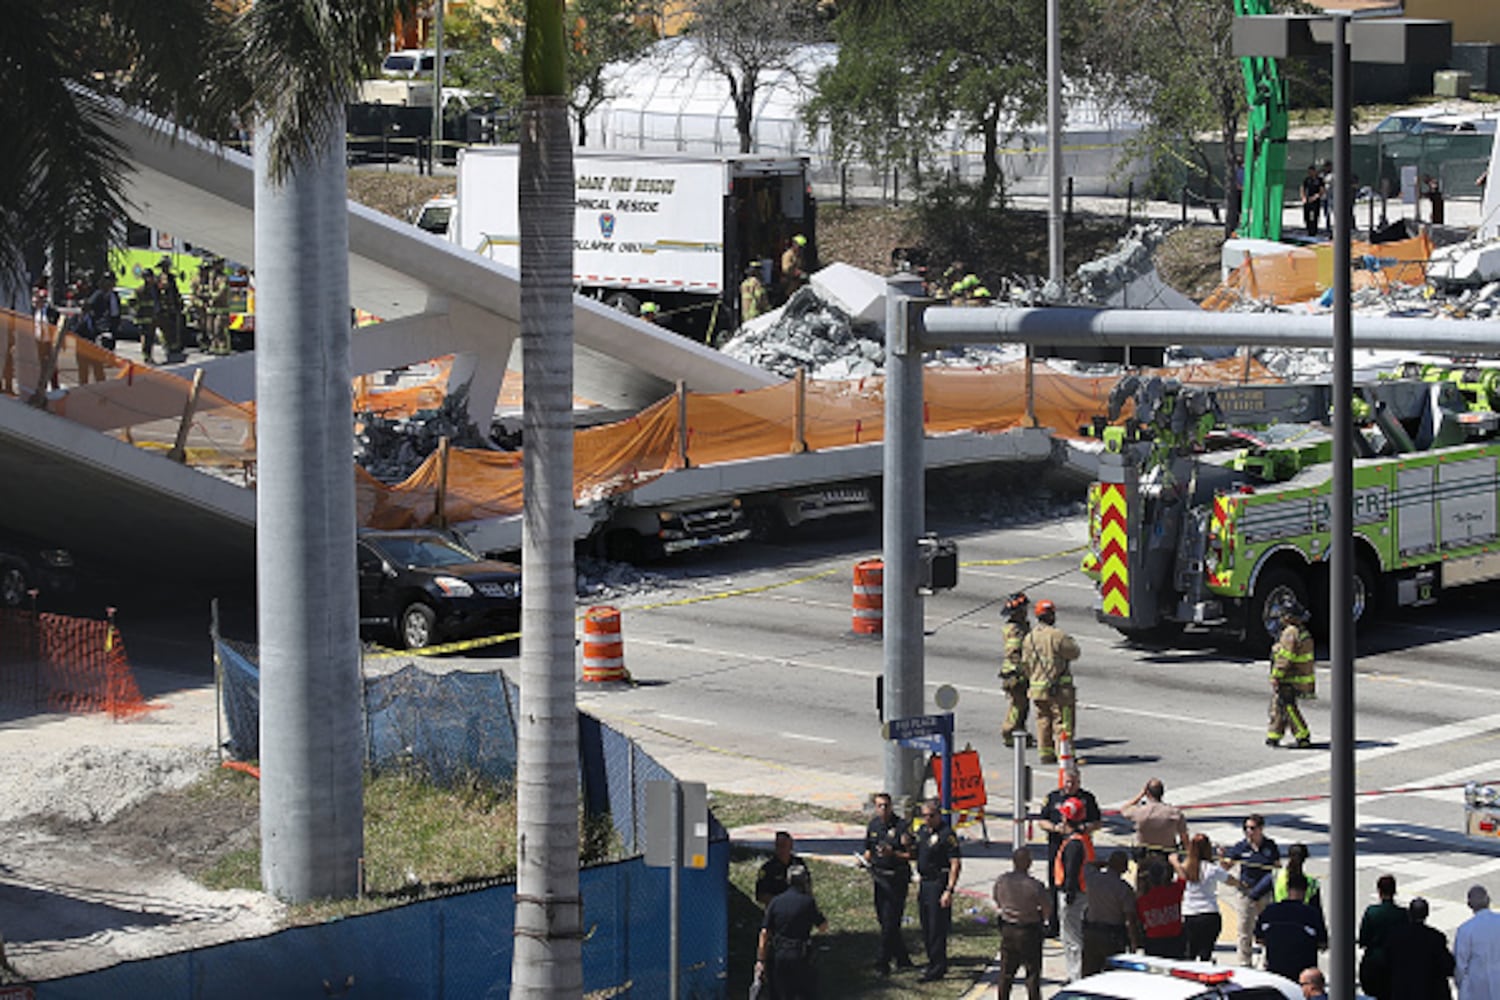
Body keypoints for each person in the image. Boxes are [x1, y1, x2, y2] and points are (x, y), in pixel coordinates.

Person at [1040, 767, 1102, 936]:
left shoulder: (1087, 799)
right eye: (1067, 781)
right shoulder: (1053, 798)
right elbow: (1042, 821)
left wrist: (1085, 828)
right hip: (1057, 848)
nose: (1070, 785)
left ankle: (1081, 924)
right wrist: (1054, 828)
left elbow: (1097, 822)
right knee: (1054, 884)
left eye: (1074, 782)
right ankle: (1054, 924)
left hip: (1078, 849)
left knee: (1077, 885)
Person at [1022, 598, 1080, 765]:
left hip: (1037, 690)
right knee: (1063, 722)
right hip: (1059, 690)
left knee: (1043, 721)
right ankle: (1065, 754)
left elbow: (1025, 664)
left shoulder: (1029, 638)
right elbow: (1074, 653)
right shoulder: (1058, 636)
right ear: (1052, 615)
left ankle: (1046, 754)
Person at [756, 863, 827, 1000]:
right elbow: (823, 927)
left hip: (779, 954)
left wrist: (761, 960)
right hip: (801, 955)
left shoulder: (775, 902)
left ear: (788, 880)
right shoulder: (808, 902)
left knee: (780, 993)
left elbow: (764, 933)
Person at [862, 792, 914, 975]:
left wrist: (894, 854)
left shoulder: (901, 827)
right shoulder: (874, 825)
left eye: (886, 805)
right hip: (879, 878)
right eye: (879, 806)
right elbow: (869, 848)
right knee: (884, 920)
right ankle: (903, 958)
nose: (883, 809)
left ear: (891, 807)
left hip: (896, 879)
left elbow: (911, 855)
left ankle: (882, 962)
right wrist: (864, 860)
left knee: (891, 920)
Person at [992, 844, 1051, 1000]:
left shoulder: (1002, 880)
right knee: (1032, 972)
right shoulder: (1035, 885)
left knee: (1006, 972)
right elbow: (1047, 909)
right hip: (1029, 930)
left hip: (1008, 929)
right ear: (1029, 863)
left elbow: (997, 900)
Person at [914, 797, 961, 982]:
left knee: (936, 927)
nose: (927, 819)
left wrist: (949, 890)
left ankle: (938, 966)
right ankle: (931, 961)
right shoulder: (923, 832)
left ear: (938, 815)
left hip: (938, 883)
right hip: (924, 883)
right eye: (924, 816)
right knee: (926, 925)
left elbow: (955, 863)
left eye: (931, 815)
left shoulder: (946, 834)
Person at [1224, 812, 1280, 967]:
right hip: (1246, 892)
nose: (1249, 831)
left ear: (1261, 829)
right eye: (1246, 828)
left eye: (1252, 828)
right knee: (1244, 928)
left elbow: (1276, 867)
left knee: (1266, 928)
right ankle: (1244, 962)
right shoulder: (1241, 847)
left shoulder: (1270, 846)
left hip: (1264, 892)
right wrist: (1222, 857)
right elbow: (1228, 865)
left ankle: (1266, 960)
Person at [1255, 871, 1327, 981]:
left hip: (1275, 969)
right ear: (1305, 891)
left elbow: (1259, 939)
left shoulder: (1270, 911)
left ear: (1287, 890)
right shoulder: (1312, 914)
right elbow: (1322, 943)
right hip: (1303, 973)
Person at [1054, 795, 1095, 982]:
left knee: (1071, 939)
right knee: (1076, 938)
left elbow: (1071, 870)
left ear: (1066, 818)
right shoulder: (1082, 838)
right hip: (1083, 893)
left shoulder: (1073, 844)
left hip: (1073, 895)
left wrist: (1069, 895)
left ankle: (1075, 977)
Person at [1081, 849, 1140, 976]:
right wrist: (1134, 942)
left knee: (1089, 973)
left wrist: (1105, 863)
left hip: (1091, 932)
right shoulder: (1124, 889)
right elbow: (1129, 918)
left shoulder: (1093, 878)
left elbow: (1088, 865)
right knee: (1113, 975)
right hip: (1112, 935)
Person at [1179, 833, 1236, 962]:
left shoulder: (1185, 867)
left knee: (1190, 953)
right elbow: (1230, 880)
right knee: (1206, 952)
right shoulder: (1212, 869)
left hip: (1190, 914)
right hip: (1210, 913)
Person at [1267, 600, 1315, 749]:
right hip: (1295, 676)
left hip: (1291, 677)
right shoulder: (1299, 631)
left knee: (1287, 706)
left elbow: (1285, 657)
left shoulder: (1290, 633)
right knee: (1279, 706)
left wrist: (1276, 675)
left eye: (1284, 615)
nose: (1281, 617)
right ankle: (1273, 735)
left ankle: (1302, 735)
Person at [1386, 896, 1454, 999]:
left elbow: (1386, 963)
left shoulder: (1395, 936)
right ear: (1427, 914)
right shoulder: (1436, 938)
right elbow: (1448, 966)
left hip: (1403, 992)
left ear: (1409, 913)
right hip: (1430, 993)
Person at [1120, 777, 1189, 866]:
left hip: (1145, 854)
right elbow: (1184, 836)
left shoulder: (1140, 811)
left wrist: (1140, 795)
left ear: (1147, 793)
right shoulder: (1174, 813)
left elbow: (1124, 809)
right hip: (1167, 854)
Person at [1359, 874, 1402, 1000]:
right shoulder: (1403, 914)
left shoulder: (1372, 912)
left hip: (1374, 962)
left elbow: (1363, 939)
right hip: (1395, 963)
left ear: (1379, 891)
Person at [1455, 884, 1500, 1000]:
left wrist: (1461, 987)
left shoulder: (1465, 930)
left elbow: (1460, 965)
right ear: (1489, 900)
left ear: (1469, 905)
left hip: (1476, 989)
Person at [1135, 858, 1187, 959]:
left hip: (1154, 941)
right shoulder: (1173, 891)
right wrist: (1175, 861)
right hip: (1175, 940)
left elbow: (1141, 920)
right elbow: (1183, 877)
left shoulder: (1142, 899)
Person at [999, 591, 1032, 748]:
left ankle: (1019, 730)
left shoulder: (1016, 627)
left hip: (1015, 672)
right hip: (1016, 673)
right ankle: (1009, 732)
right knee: (1018, 705)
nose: (1026, 612)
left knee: (1022, 704)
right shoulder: (1016, 630)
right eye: (1023, 609)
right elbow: (1014, 652)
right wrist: (1019, 671)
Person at [79, 273, 119, 384]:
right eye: (108, 281)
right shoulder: (98, 295)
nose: (111, 284)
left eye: (112, 281)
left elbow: (115, 312)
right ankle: (94, 383)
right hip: (99, 331)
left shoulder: (114, 295)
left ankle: (104, 382)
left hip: (111, 329)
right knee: (96, 360)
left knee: (106, 359)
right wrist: (99, 328)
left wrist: (115, 326)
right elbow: (89, 307)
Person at [756, 831, 807, 906]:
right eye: (778, 846)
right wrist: (782, 903)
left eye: (783, 845)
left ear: (791, 846)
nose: (780, 849)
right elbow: (760, 895)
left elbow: (807, 886)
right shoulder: (767, 868)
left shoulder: (798, 863)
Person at [1274, 843, 1321, 909]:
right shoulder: (1312, 883)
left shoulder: (1276, 876)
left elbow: (1256, 893)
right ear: (1304, 860)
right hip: (1303, 916)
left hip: (1279, 914)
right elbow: (1317, 912)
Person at [779, 234, 807, 301]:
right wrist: (798, 273)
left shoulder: (799, 256)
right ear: (794, 244)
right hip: (788, 284)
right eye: (799, 247)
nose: (801, 249)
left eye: (802, 248)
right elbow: (785, 269)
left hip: (797, 285)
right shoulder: (788, 255)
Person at [1301, 165, 1325, 238]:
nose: (1310, 173)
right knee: (1306, 215)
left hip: (1315, 200)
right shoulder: (1307, 180)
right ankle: (1308, 229)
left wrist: (1316, 197)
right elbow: (1302, 188)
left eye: (1312, 171)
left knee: (1314, 216)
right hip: (1307, 199)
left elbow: (1322, 190)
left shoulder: (1319, 180)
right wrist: (1304, 198)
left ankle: (1314, 231)